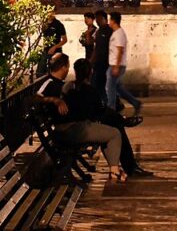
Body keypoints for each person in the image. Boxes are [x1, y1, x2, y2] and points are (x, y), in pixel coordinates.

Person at [35, 53, 128, 183]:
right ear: (63, 67)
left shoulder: (65, 85)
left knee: (108, 129)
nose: (68, 70)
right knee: (115, 134)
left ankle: (114, 169)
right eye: (67, 66)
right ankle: (115, 170)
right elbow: (34, 98)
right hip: (71, 130)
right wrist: (55, 100)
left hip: (72, 127)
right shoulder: (50, 82)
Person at [63, 58, 152, 178]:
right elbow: (97, 110)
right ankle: (124, 167)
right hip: (82, 125)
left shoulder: (69, 86)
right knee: (115, 127)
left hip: (83, 121)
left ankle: (127, 166)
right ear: (90, 72)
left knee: (113, 121)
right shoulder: (88, 90)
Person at [107, 12, 143, 115]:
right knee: (117, 88)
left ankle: (111, 110)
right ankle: (135, 103)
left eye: (110, 20)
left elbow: (120, 50)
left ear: (113, 21)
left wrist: (116, 66)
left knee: (110, 88)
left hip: (116, 65)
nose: (109, 22)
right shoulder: (116, 33)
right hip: (114, 64)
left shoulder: (119, 33)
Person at [91, 10, 112, 104]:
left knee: (100, 84)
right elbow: (96, 47)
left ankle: (107, 103)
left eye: (100, 19)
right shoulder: (98, 32)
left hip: (105, 63)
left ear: (105, 19)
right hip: (98, 63)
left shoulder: (109, 31)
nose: (98, 21)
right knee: (97, 84)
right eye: (96, 19)